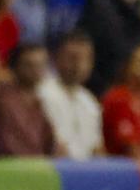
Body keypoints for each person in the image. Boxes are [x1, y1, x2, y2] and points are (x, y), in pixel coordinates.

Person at [0, 43, 60, 157]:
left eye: (40, 65)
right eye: (29, 65)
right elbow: (5, 147)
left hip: (38, 164)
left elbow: (49, 142)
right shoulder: (4, 103)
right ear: (14, 67)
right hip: (14, 165)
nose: (36, 70)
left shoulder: (38, 101)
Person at [38, 31, 104, 160]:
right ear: (56, 58)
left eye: (86, 59)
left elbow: (97, 148)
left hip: (86, 168)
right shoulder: (42, 93)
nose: (79, 65)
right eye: (73, 58)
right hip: (54, 166)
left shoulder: (89, 101)